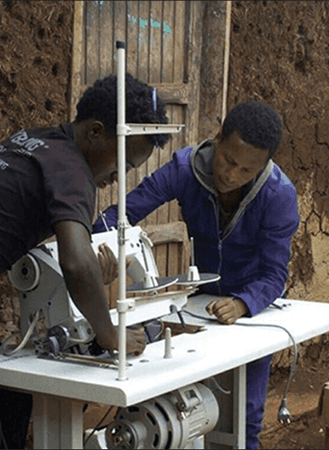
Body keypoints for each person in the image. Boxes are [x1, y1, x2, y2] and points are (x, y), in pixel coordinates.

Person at [0, 73, 167, 449]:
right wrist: (109, 333)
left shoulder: (35, 140)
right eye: (122, 166)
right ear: (94, 132)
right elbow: (75, 264)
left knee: (10, 395)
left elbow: (3, 223)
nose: (116, 178)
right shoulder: (74, 171)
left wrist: (90, 266)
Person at [93, 101, 300, 449]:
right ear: (217, 139)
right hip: (200, 306)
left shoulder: (278, 195)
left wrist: (243, 303)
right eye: (228, 160)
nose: (232, 175)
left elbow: (274, 274)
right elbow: (127, 211)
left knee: (245, 418)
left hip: (249, 312)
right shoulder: (185, 169)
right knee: (184, 410)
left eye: (246, 171)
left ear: (264, 166)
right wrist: (94, 241)